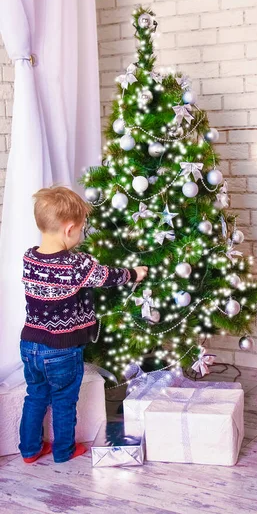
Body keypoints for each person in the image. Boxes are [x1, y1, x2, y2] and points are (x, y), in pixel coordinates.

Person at [19, 186, 148, 463]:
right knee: (64, 401)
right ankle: (63, 451)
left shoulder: (29, 258)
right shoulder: (76, 264)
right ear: (69, 230)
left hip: (29, 346)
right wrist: (133, 273)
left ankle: (29, 451)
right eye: (80, 230)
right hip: (62, 350)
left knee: (36, 396)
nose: (81, 235)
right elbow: (107, 276)